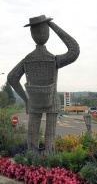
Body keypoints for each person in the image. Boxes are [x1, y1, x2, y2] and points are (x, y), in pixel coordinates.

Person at [7, 15, 80, 150]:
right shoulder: (54, 59)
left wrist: (26, 99)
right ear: (47, 33)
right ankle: (49, 158)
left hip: (34, 101)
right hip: (51, 100)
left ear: (31, 34)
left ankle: (32, 160)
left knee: (32, 134)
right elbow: (74, 50)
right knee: (50, 135)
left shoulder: (27, 60)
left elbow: (12, 78)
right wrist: (53, 25)